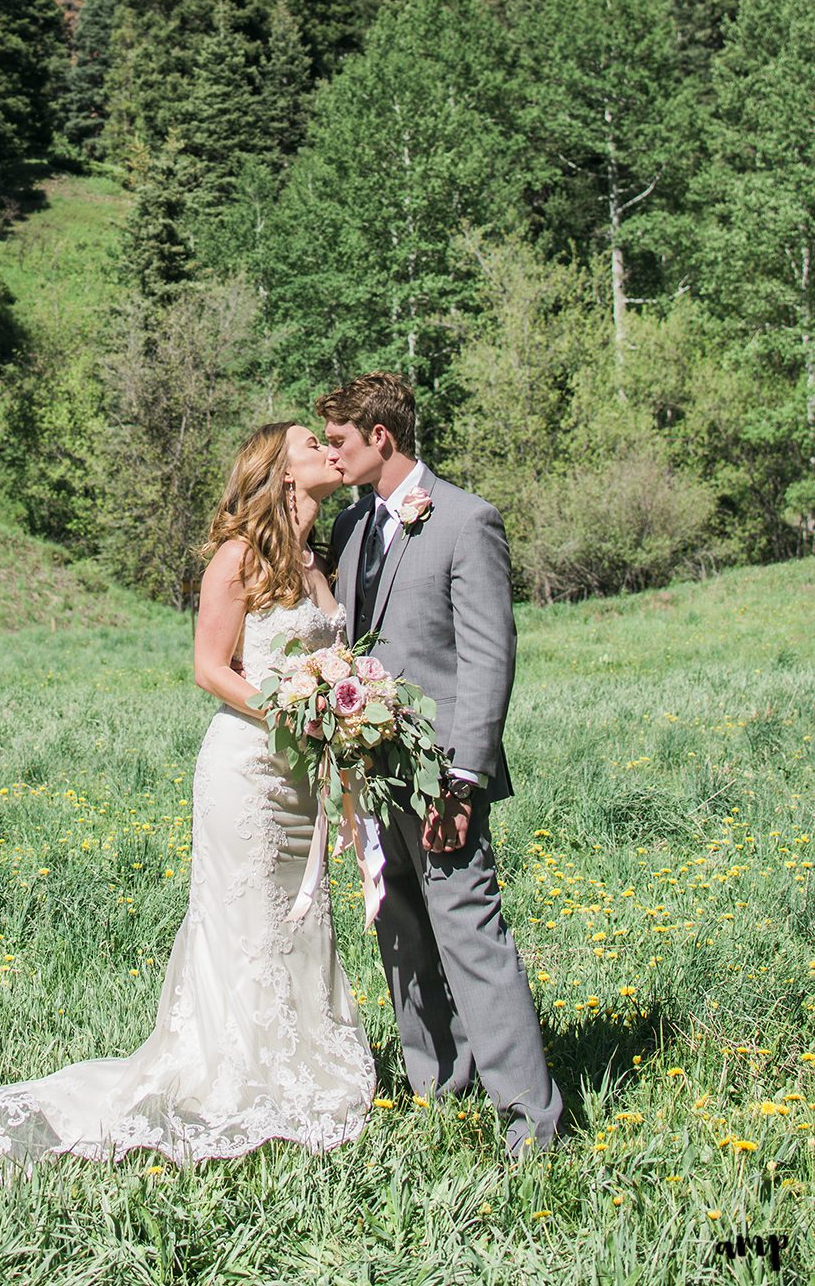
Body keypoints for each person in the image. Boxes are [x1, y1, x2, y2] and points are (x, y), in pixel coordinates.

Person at [0, 421, 375, 1174]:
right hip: (246, 774)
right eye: (311, 442)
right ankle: (234, 1075)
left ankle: (296, 1063)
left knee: (298, 924)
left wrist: (337, 727)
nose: (329, 450)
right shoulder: (237, 557)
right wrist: (291, 711)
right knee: (244, 924)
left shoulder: (313, 561)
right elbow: (209, 666)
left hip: (303, 779)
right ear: (282, 471)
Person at [320, 372, 562, 1156]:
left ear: (381, 438)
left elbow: (490, 662)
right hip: (370, 771)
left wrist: (464, 781)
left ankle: (533, 1122)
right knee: (399, 934)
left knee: (471, 934)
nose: (332, 454)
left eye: (341, 441)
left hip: (440, 775)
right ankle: (441, 1090)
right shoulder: (354, 526)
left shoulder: (465, 521)